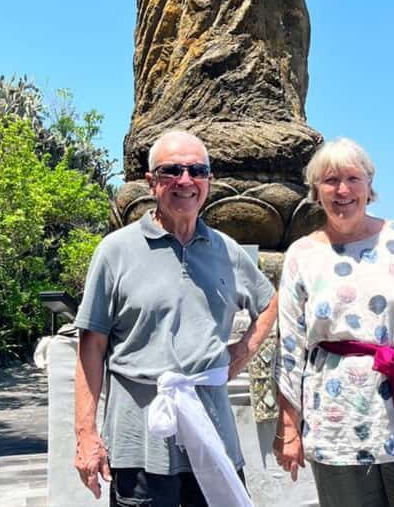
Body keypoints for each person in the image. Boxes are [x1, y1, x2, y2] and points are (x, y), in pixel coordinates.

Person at [74, 130, 278, 507]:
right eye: (172, 171)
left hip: (211, 432)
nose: (185, 180)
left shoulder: (226, 251)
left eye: (196, 170)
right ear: (152, 182)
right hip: (139, 440)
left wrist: (240, 355)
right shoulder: (115, 251)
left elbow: (270, 302)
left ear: (209, 182)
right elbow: (92, 345)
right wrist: (86, 435)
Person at [273, 138, 394, 507]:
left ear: (369, 185)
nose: (342, 190)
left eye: (352, 178)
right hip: (336, 421)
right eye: (330, 180)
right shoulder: (301, 254)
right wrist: (288, 427)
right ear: (316, 190)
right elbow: (289, 347)